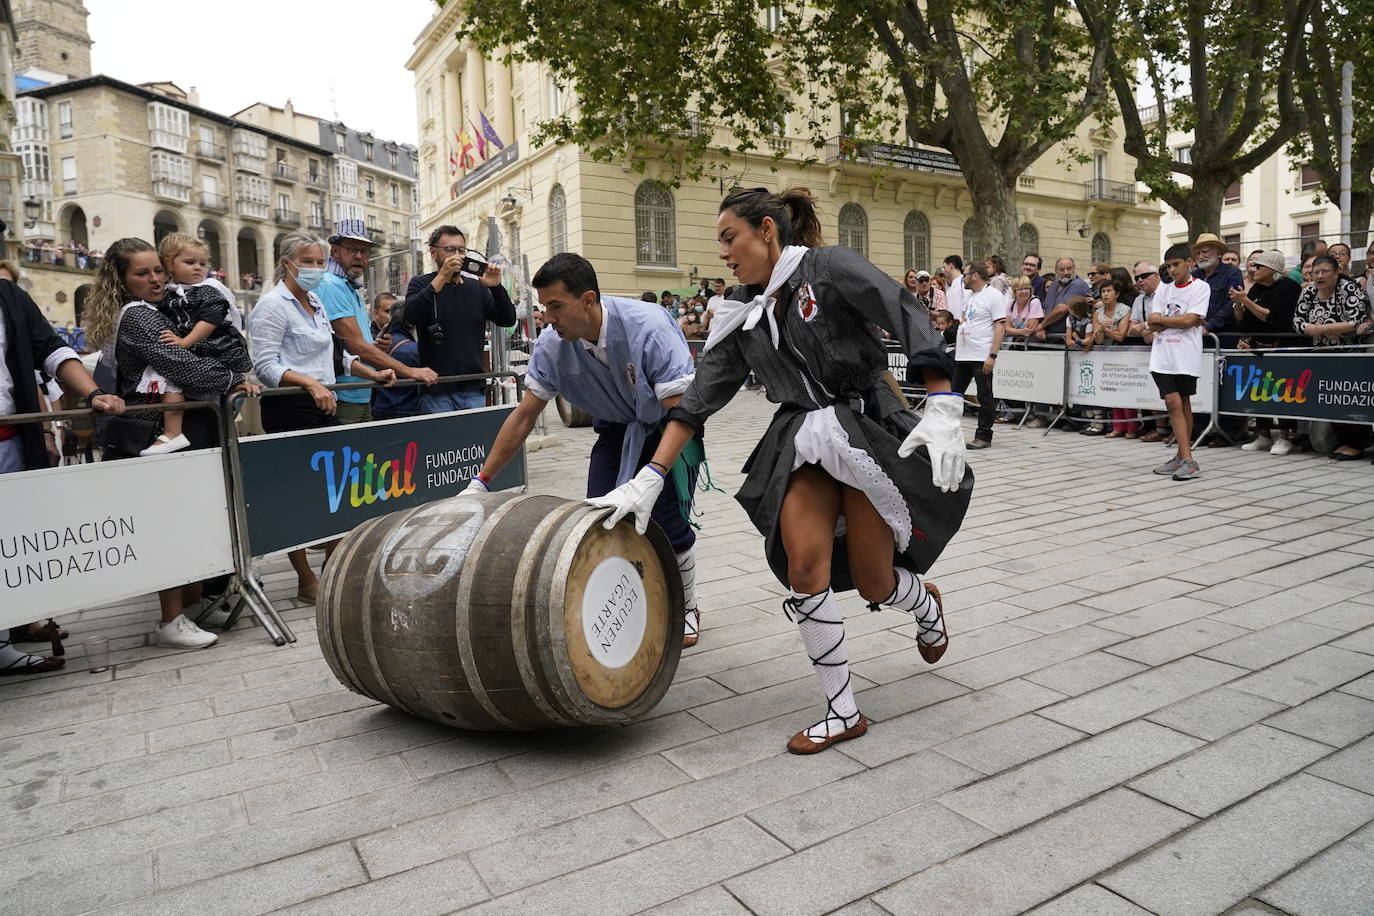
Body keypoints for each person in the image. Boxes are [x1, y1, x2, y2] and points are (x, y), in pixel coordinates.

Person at [589, 187, 971, 755]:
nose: (722, 252)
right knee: (805, 567)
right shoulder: (739, 310)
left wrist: (942, 404)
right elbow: (699, 397)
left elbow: (902, 308)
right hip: (803, 439)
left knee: (874, 579)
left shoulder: (828, 268)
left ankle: (923, 603)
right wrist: (651, 474)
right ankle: (843, 708)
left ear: (766, 229)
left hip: (863, 426)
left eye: (729, 238)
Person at [462, 253, 705, 646]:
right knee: (600, 516)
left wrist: (654, 475)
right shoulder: (551, 345)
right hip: (615, 430)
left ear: (588, 299)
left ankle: (688, 606)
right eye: (544, 308)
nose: (548, 317)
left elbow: (685, 412)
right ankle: (628, 605)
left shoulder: (648, 325)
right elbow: (524, 417)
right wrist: (481, 481)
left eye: (556, 306)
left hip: (669, 425)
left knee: (664, 519)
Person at [84, 238, 256, 648]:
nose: (155, 279)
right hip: (153, 432)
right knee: (169, 522)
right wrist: (233, 377)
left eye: (157, 270)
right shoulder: (138, 317)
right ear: (122, 280)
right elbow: (186, 368)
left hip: (181, 428)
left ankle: (190, 606)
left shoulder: (165, 307)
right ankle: (170, 619)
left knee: (189, 518)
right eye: (142, 274)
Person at [0, 244, 125, 674]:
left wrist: (93, 393)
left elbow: (53, 352)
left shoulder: (11, 297)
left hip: (11, 440)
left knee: (9, 536)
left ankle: (2, 643)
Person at [136, 233, 252, 456]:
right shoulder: (167, 294)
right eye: (190, 263)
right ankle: (174, 431)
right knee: (170, 379)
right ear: (169, 264)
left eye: (202, 263)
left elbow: (211, 320)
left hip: (218, 347)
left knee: (181, 380)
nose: (198, 268)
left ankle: (175, 432)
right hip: (199, 351)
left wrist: (183, 342)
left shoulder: (207, 289)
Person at [319, 219, 436, 424]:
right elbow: (356, 345)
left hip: (359, 392)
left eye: (364, 251)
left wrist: (375, 348)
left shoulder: (349, 285)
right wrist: (410, 371)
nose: (359, 256)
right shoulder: (331, 284)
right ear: (335, 251)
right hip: (345, 393)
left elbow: (353, 345)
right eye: (352, 249)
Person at [402, 225, 516, 414]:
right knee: (442, 443)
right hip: (436, 389)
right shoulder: (421, 283)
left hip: (473, 388)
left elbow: (507, 320)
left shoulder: (476, 287)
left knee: (474, 443)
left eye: (461, 250)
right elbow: (411, 316)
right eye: (449, 250)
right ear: (433, 252)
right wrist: (442, 278)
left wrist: (496, 287)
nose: (456, 255)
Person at [1293, 254, 1374, 461]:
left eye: (1324, 272)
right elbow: (1297, 322)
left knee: (1348, 397)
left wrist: (1320, 328)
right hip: (1321, 355)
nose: (1319, 276)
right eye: (1315, 272)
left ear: (1336, 272)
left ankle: (1356, 443)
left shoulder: (1348, 288)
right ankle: (1341, 441)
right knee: (1331, 398)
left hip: (1349, 355)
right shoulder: (1309, 292)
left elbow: (1357, 320)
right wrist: (1325, 330)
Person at [1148, 243, 1210, 481]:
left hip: (1186, 355)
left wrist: (1167, 321)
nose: (1172, 270)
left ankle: (1183, 456)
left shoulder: (1201, 288)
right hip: (1162, 355)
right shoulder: (1163, 290)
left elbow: (1192, 319)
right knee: (1172, 402)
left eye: (1176, 264)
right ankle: (1187, 459)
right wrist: (1177, 320)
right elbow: (1153, 322)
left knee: (1183, 402)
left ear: (1189, 263)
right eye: (1168, 266)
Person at [1232, 249, 1303, 455]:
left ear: (1272, 270)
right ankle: (1262, 434)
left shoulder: (1288, 287)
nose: (1253, 269)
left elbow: (1271, 317)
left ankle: (1284, 436)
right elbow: (1242, 319)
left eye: (1258, 266)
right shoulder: (1255, 289)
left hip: (1281, 346)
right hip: (1256, 346)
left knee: (1282, 392)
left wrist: (1245, 301)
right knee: (1257, 390)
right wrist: (1239, 302)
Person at [953, 261, 1007, 450]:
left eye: (965, 275)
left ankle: (984, 435)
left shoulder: (993, 295)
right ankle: (947, 432)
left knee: (984, 394)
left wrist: (992, 355)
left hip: (981, 354)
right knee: (953, 394)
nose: (963, 279)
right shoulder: (968, 296)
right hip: (963, 354)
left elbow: (1000, 326)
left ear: (975, 275)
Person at [1093, 279, 1137, 438]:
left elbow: (1121, 335)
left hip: (1122, 353)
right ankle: (1118, 427)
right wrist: (1099, 331)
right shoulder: (1097, 313)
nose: (1105, 294)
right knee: (1112, 390)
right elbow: (1097, 340)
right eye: (1103, 292)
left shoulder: (1125, 310)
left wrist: (1106, 330)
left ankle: (1132, 428)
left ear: (1117, 293)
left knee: (1125, 390)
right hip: (1105, 354)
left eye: (1108, 291)